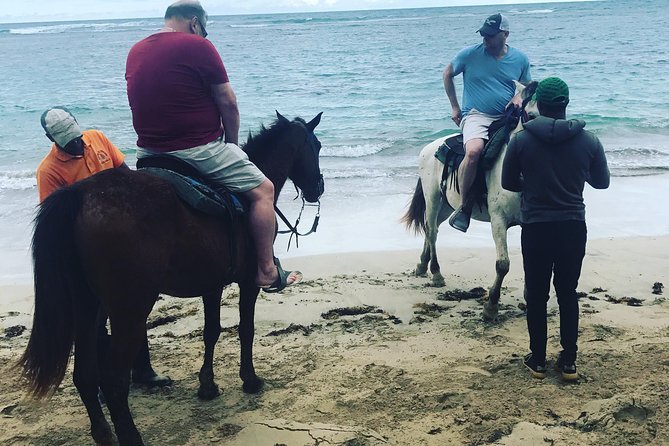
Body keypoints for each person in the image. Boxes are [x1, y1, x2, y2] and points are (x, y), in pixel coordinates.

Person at [125, 0, 301, 292]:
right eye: (204, 30)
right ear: (195, 23)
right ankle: (267, 271)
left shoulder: (136, 50)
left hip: (147, 153)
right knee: (264, 191)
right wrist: (232, 145)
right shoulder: (198, 47)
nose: (205, 36)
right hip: (196, 150)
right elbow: (228, 102)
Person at [37, 106, 172, 388]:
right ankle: (97, 379)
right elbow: (57, 224)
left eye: (76, 136)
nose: (76, 144)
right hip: (89, 248)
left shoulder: (96, 138)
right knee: (95, 318)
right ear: (50, 137)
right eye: (68, 141)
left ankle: (143, 370)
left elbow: (125, 175)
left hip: (123, 238)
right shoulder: (49, 171)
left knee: (133, 308)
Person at [501, 77, 610, 381]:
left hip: (536, 226)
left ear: (540, 105)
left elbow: (508, 183)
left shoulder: (521, 140)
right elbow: (602, 182)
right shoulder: (589, 140)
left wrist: (534, 184)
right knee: (567, 292)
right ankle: (570, 362)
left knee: (536, 294)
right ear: (565, 104)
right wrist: (574, 176)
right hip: (572, 225)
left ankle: (537, 361)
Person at [443, 13, 531, 232]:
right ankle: (464, 208)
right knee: (473, 152)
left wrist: (519, 97)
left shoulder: (520, 59)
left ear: (505, 34)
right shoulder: (470, 54)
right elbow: (447, 73)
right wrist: (454, 106)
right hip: (476, 115)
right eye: (483, 34)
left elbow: (527, 86)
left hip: (508, 116)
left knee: (534, 144)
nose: (486, 39)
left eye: (491, 35)